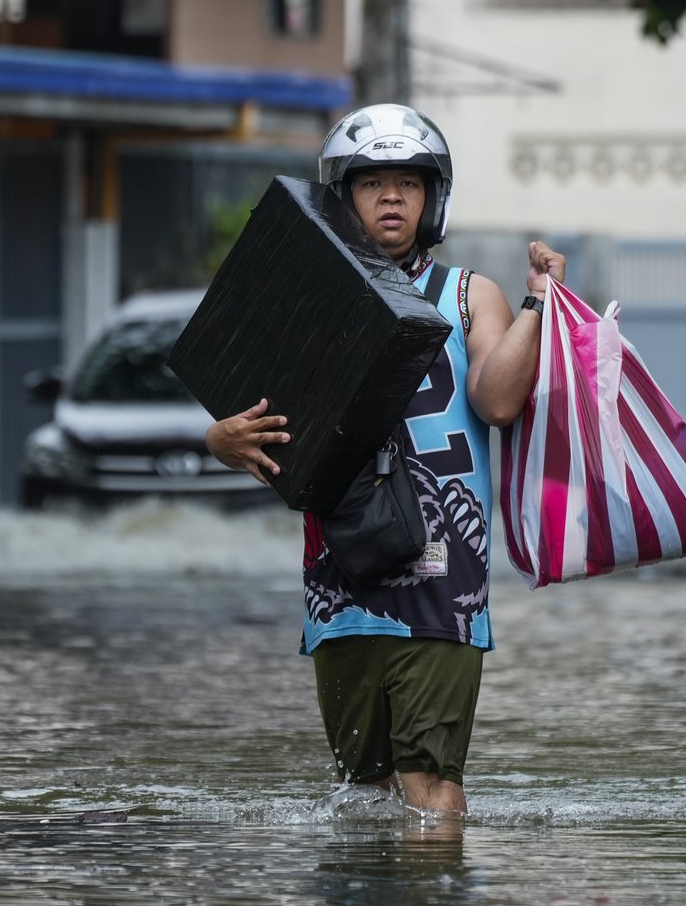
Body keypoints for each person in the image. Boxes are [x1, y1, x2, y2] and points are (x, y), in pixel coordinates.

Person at [205, 103, 565, 817]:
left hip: (442, 581)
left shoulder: (469, 296)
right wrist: (220, 440)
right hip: (337, 583)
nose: (392, 197)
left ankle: (434, 879)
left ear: (433, 199)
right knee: (363, 797)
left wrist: (536, 304)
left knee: (430, 787)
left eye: (409, 183)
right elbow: (243, 419)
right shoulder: (304, 303)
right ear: (343, 198)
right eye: (372, 183)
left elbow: (498, 402)